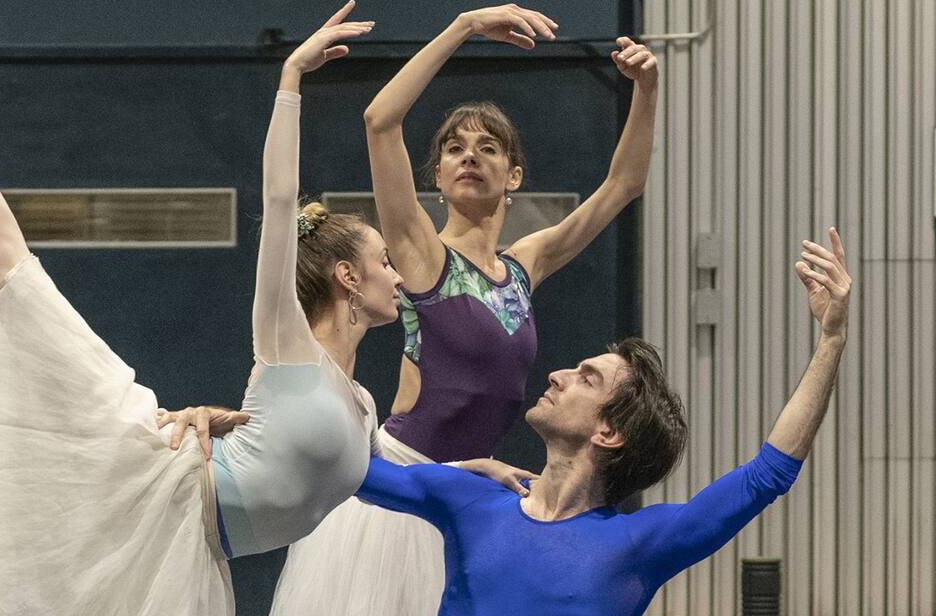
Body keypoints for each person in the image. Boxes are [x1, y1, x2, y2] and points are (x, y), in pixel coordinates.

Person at [0, 0, 402, 615]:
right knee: (13, 270)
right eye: (384, 262)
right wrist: (291, 79)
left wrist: (476, 472)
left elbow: (391, 479)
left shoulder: (363, 406)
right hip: (156, 484)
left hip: (198, 548)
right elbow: (279, 201)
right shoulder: (289, 344)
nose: (397, 277)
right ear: (347, 276)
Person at [273, 4, 660, 615]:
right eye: (454, 148)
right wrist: (462, 27)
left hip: (472, 500)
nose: (469, 156)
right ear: (439, 173)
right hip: (400, 492)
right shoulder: (422, 253)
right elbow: (380, 120)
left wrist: (646, 87)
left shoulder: (524, 265)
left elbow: (623, 185)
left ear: (514, 175)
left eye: (487, 148)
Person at [355, 229, 852, 615]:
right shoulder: (466, 496)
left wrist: (831, 340)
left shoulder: (638, 545)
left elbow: (769, 474)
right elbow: (348, 470)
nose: (557, 375)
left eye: (586, 378)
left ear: (608, 432)